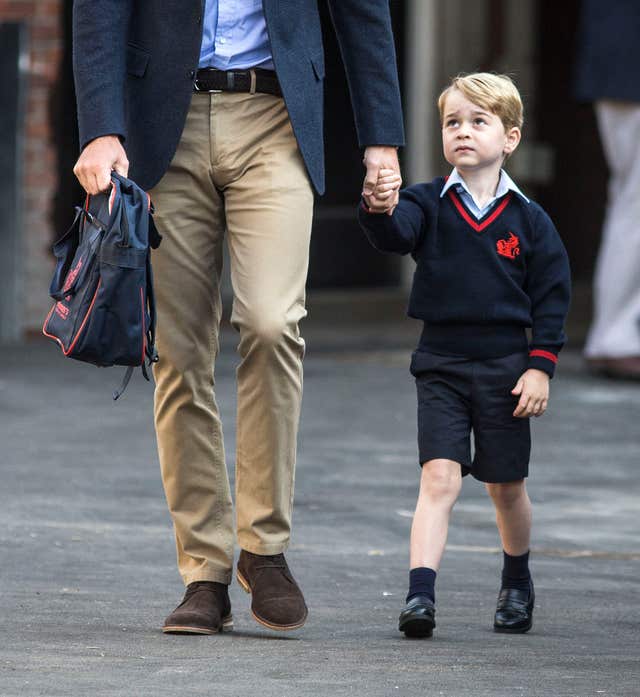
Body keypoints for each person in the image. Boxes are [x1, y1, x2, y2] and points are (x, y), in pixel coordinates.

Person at [72, 1, 404, 634]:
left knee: (274, 322)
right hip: (161, 121)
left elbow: (364, 11)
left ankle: (264, 547)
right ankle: (204, 572)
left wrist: (380, 140)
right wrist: (99, 127)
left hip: (276, 115)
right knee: (180, 351)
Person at [359, 73, 571, 638]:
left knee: (506, 487)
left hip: (507, 369)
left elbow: (552, 298)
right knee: (439, 479)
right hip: (442, 364)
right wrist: (379, 206)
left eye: (479, 122)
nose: (463, 132)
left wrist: (540, 366)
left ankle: (517, 581)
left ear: (511, 138)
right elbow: (396, 234)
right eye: (453, 121)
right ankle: (420, 596)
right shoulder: (427, 201)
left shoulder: (530, 220)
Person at [574, 0, 640, 380]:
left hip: (620, 63)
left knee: (629, 199)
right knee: (633, 201)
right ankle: (617, 337)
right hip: (629, 64)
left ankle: (615, 334)